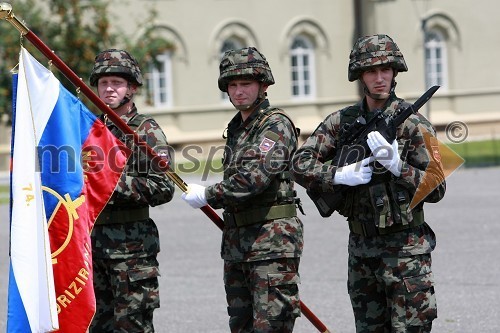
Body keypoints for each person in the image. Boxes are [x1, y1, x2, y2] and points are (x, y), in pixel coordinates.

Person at [291, 34, 446, 333]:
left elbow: (437, 187)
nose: (379, 78)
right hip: (361, 252)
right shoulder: (341, 122)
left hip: (406, 254)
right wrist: (337, 175)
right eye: (371, 71)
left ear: (394, 73)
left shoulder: (415, 124)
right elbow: (299, 164)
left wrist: (399, 167)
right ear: (360, 76)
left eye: (385, 70)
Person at [181, 46, 304, 333]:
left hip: (271, 245)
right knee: (242, 326)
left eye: (245, 84)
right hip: (238, 244)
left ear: (263, 85)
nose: (238, 91)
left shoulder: (275, 124)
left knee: (271, 326)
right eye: (232, 85)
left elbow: (254, 178)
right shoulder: (238, 127)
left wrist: (208, 194)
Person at [88, 49, 175, 332]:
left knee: (132, 327)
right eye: (104, 83)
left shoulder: (145, 131)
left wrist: (110, 181)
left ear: (132, 88)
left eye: (117, 82)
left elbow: (163, 186)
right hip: (93, 249)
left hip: (132, 253)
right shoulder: (91, 129)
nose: (109, 89)